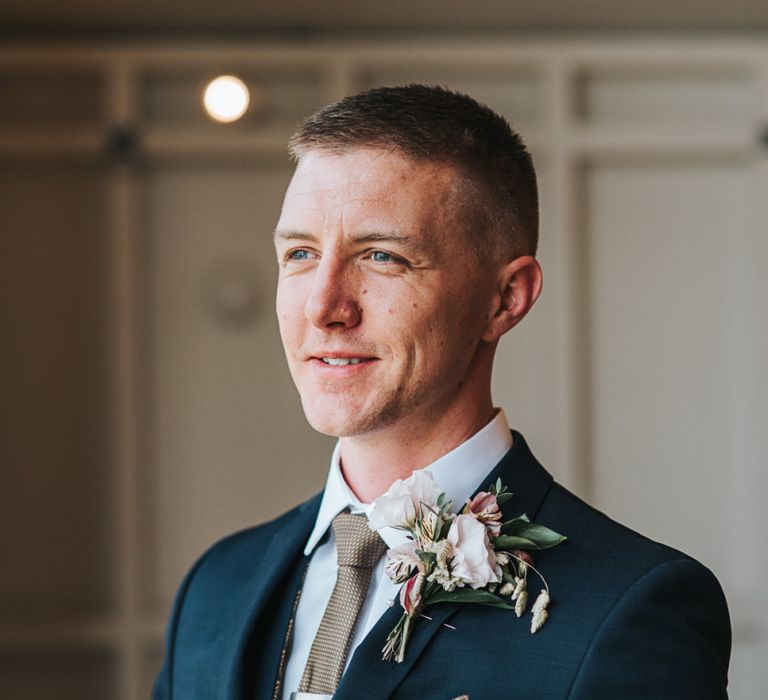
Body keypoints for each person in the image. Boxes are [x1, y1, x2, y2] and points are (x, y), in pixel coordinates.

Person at [153, 84, 731, 699]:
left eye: (381, 256)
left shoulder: (631, 608)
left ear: (505, 300)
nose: (323, 308)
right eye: (299, 253)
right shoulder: (215, 586)